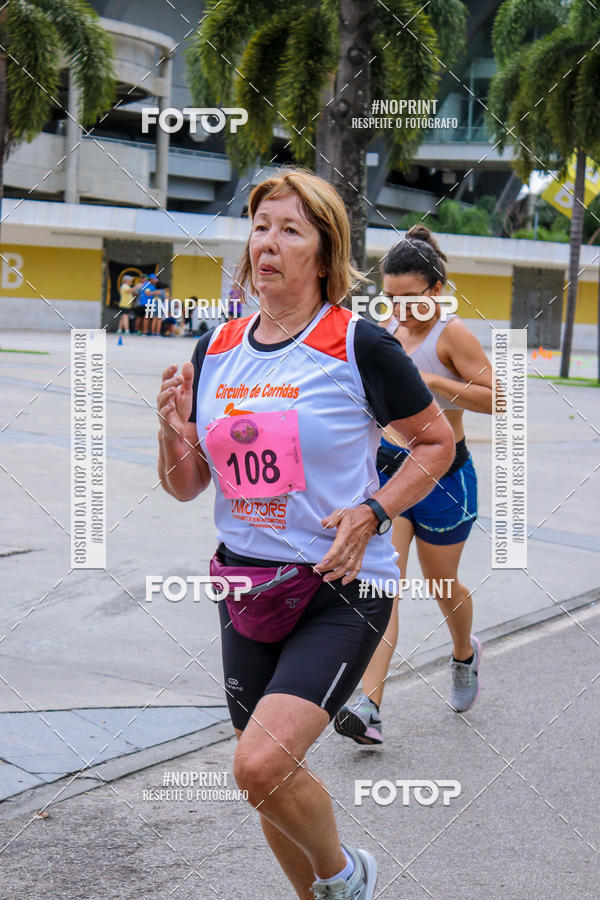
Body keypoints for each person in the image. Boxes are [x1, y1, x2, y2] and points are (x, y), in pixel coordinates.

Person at [157, 171, 454, 899]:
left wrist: (374, 510)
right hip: (245, 585)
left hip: (339, 585)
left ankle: (348, 877)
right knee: (267, 779)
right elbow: (186, 485)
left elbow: (435, 442)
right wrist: (171, 431)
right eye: (261, 226)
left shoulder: (357, 344)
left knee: (259, 764)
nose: (268, 243)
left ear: (324, 255)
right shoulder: (215, 348)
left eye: (290, 230)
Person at [334, 225, 495, 748]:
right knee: (385, 585)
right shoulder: (388, 330)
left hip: (447, 478)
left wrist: (435, 383)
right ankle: (369, 705)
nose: (399, 309)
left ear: (437, 289)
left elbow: (499, 398)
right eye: (390, 297)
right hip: (393, 471)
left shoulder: (453, 335)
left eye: (409, 298)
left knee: (443, 585)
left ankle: (464, 653)